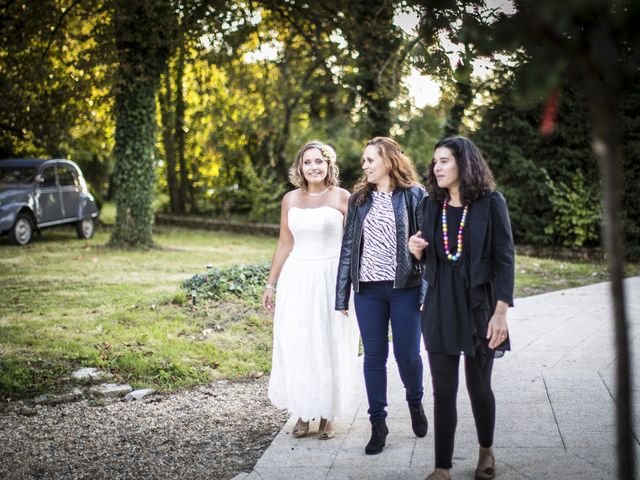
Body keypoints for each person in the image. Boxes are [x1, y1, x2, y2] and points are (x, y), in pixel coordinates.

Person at [408, 136, 515, 480]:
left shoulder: (490, 203)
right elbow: (425, 257)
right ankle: (442, 467)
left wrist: (501, 312)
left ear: (463, 165)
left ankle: (486, 451)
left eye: (444, 161)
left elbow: (505, 260)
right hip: (439, 303)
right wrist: (416, 249)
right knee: (443, 390)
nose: (436, 167)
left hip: (479, 304)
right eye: (435, 161)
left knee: (478, 386)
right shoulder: (430, 204)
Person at [335, 136, 428, 455]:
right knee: (374, 356)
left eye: (369, 160)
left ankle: (415, 402)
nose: (364, 166)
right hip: (368, 291)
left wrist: (426, 289)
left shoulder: (415, 195)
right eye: (363, 161)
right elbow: (348, 247)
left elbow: (426, 246)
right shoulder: (359, 198)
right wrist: (342, 294)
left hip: (405, 288)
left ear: (388, 160)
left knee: (408, 356)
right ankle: (378, 423)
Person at [264, 140, 360, 440]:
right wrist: (271, 283)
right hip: (298, 277)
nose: (314, 167)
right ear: (300, 167)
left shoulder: (343, 197)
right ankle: (304, 411)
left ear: (328, 164)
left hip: (332, 277)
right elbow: (284, 243)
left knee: (330, 342)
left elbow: (355, 242)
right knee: (301, 343)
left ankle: (328, 414)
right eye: (307, 162)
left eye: (319, 161)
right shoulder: (290, 200)